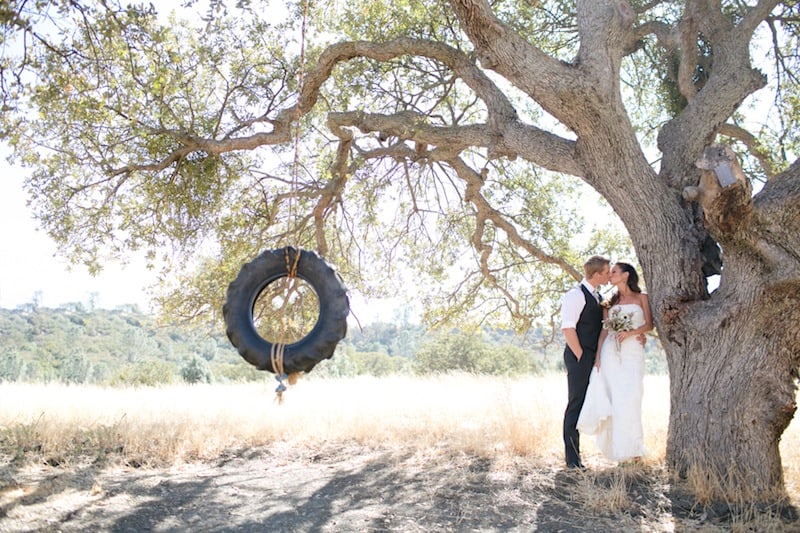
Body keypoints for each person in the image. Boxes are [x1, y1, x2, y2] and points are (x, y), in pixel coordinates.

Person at [577, 262, 653, 463]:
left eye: (614, 272)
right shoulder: (608, 303)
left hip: (632, 351)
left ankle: (634, 450)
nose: (610, 275)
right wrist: (598, 357)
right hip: (610, 351)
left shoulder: (642, 297)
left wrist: (632, 333)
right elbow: (604, 331)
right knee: (616, 400)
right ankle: (620, 452)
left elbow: (649, 325)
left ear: (626, 275)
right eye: (609, 272)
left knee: (631, 398)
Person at [560, 255, 611, 469]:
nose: (609, 275)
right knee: (576, 403)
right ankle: (572, 459)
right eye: (607, 272)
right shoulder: (576, 295)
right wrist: (581, 356)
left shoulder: (599, 296)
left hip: (594, 357)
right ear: (597, 274)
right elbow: (568, 328)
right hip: (579, 357)